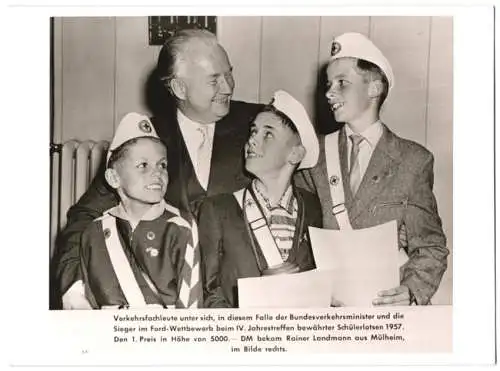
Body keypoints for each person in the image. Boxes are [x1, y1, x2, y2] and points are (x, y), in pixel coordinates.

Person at [53, 29, 262, 309]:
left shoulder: (259, 126)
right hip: (167, 303)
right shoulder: (144, 140)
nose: (228, 87)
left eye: (229, 74)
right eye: (214, 79)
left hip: (242, 300)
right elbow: (84, 216)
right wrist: (74, 289)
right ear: (179, 88)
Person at [297, 32, 449, 306]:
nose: (329, 92)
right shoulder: (313, 157)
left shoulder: (413, 160)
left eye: (342, 83)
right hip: (329, 310)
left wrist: (412, 290)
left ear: (374, 89)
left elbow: (430, 246)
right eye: (328, 84)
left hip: (385, 309)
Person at [62, 112, 202, 309]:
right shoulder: (95, 232)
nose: (157, 173)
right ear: (113, 178)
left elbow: (191, 308)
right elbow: (90, 305)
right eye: (143, 165)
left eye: (162, 165)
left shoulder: (181, 228)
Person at [199, 90, 322, 308]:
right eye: (253, 132)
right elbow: (207, 295)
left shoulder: (313, 208)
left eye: (268, 134)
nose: (252, 140)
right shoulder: (218, 209)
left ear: (295, 154)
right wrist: (259, 295)